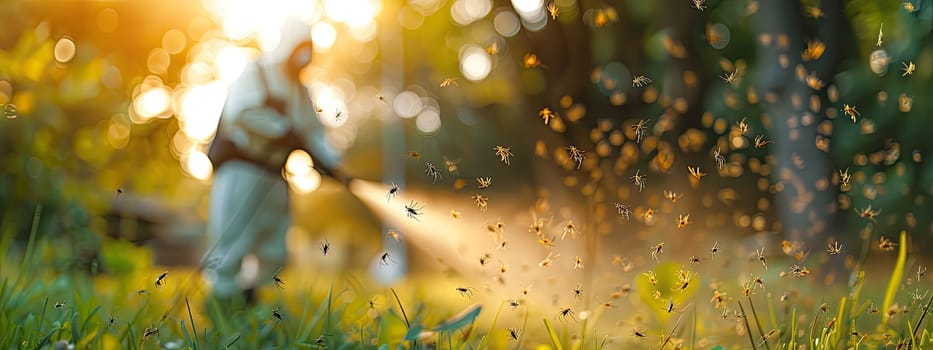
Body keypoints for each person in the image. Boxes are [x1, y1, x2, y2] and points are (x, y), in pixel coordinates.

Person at [205, 18, 345, 306]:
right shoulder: (256, 72)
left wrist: (332, 165)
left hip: (275, 177)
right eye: (300, 48)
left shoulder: (301, 91)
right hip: (243, 170)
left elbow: (314, 133)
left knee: (274, 244)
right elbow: (240, 112)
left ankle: (254, 297)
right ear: (288, 46)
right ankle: (221, 299)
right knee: (233, 239)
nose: (304, 56)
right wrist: (281, 129)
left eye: (309, 49)